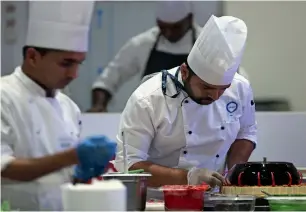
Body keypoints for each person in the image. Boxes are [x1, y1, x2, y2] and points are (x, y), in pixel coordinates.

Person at [114, 15, 257, 198]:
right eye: (206, 87)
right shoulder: (148, 99)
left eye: (223, 89)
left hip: (216, 199)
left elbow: (246, 131)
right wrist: (188, 177)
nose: (214, 96)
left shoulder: (240, 88)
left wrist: (234, 173)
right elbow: (130, 165)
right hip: (157, 202)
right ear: (184, 71)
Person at [1, 1, 117, 210]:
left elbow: (65, 177)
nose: (74, 74)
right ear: (33, 57)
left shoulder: (69, 107)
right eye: (66, 63)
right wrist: (72, 157)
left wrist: (83, 172)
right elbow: (5, 167)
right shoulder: (4, 96)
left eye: (79, 63)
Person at [88, 1, 202, 112]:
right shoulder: (143, 44)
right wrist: (99, 105)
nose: (168, 33)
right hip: (150, 120)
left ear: (190, 19)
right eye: (163, 27)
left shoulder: (206, 44)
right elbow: (108, 79)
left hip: (195, 120)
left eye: (175, 28)